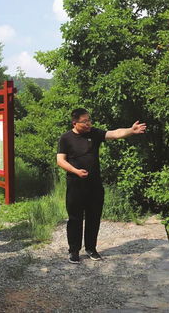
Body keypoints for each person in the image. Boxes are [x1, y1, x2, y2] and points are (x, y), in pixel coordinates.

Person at [56, 108, 146, 264]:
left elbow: (114, 133)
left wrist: (131, 131)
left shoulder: (94, 133)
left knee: (94, 217)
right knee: (75, 219)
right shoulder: (66, 138)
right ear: (75, 122)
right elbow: (60, 160)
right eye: (85, 121)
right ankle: (74, 251)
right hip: (76, 185)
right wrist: (76, 171)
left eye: (89, 120)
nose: (89, 123)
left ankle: (91, 248)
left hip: (95, 185)